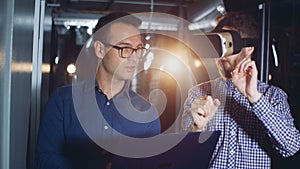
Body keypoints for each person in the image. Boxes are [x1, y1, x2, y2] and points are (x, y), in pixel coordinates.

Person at [36, 12, 161, 169]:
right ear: (100, 49)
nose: (134, 57)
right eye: (126, 48)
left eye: (138, 49)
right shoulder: (63, 101)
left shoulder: (147, 114)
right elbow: (44, 160)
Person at [181, 12, 300, 168]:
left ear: (249, 49)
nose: (221, 56)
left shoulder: (273, 96)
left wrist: (255, 98)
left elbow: (291, 147)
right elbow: (184, 156)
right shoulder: (199, 94)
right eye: (218, 46)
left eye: (228, 46)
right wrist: (197, 128)